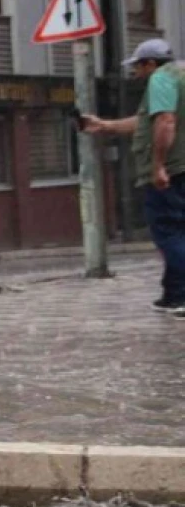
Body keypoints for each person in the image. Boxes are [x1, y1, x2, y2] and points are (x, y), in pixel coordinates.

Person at [84, 39, 185, 316]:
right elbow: (147, 121)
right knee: (178, 234)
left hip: (174, 171)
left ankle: (181, 296)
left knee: (169, 234)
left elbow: (165, 121)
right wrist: (106, 126)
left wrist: (159, 166)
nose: (136, 73)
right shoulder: (181, 75)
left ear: (151, 64)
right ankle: (174, 295)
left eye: (138, 67)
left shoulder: (161, 79)